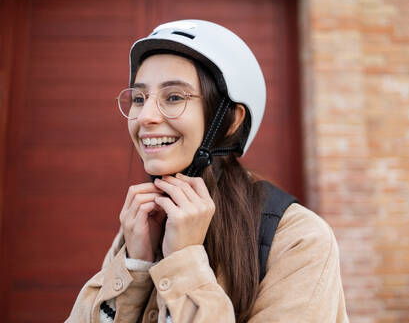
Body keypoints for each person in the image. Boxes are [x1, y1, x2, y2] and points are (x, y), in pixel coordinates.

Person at [66, 20, 348, 323]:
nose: (145, 117)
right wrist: (134, 267)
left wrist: (183, 262)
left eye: (174, 97)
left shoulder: (299, 238)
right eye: (139, 98)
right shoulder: (144, 224)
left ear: (230, 120)